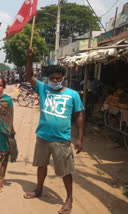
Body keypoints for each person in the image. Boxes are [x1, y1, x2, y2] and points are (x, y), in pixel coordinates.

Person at [23, 48, 84, 214]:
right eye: (52, 78)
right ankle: (39, 189)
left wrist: (80, 137)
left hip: (62, 140)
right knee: (41, 166)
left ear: (63, 78)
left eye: (58, 78)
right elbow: (29, 75)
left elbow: (79, 115)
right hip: (42, 137)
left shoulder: (73, 95)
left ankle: (69, 198)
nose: (55, 80)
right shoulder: (43, 89)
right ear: (47, 79)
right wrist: (30, 58)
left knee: (66, 171)